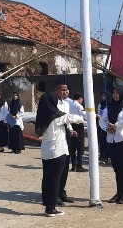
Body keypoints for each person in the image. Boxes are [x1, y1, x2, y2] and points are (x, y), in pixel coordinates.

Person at [36, 87, 84, 217]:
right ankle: (51, 208)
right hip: (58, 151)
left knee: (47, 178)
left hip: (46, 151)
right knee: (55, 179)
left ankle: (47, 204)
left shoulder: (42, 116)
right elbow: (73, 118)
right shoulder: (56, 116)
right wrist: (86, 115)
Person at [69, 92, 88, 172]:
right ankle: (79, 165)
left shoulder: (69, 104)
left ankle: (74, 165)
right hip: (78, 126)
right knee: (80, 147)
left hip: (71, 126)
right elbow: (85, 114)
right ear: (80, 98)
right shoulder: (79, 105)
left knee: (72, 147)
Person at [96, 91, 110, 164]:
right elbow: (98, 113)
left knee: (106, 141)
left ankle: (107, 157)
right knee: (101, 141)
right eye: (102, 96)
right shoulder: (100, 104)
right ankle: (102, 156)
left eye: (104, 96)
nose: (103, 97)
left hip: (107, 125)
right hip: (100, 125)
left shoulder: (109, 105)